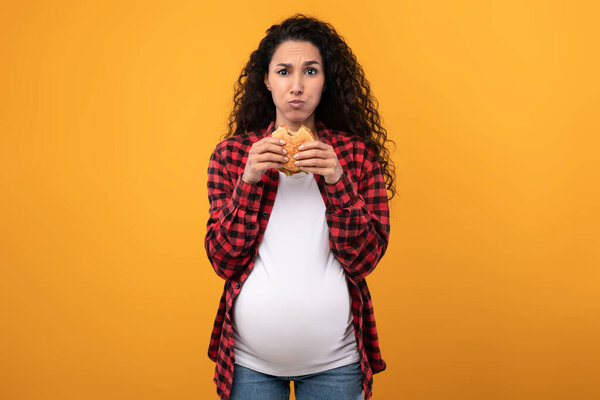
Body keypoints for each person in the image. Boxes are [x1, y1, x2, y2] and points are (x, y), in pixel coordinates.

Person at [204, 14, 396, 400]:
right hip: (249, 364)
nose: (296, 86)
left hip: (337, 363)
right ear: (266, 80)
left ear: (326, 81)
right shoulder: (232, 156)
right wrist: (248, 181)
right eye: (284, 71)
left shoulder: (355, 156)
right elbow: (223, 260)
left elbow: (366, 259)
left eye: (310, 71)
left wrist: (338, 182)